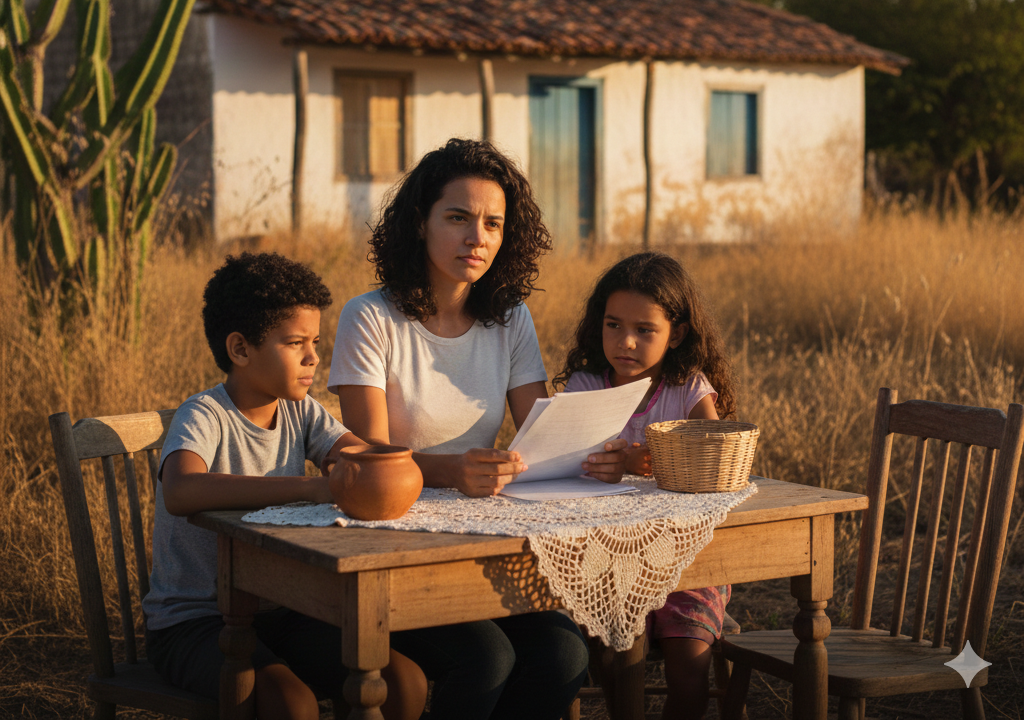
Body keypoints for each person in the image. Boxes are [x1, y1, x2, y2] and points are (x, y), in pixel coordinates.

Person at [328, 138, 620, 720]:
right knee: (486, 660)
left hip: (486, 539)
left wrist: (588, 453)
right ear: (419, 222)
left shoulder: (510, 317)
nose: (477, 238)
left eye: (493, 223)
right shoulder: (370, 318)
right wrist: (447, 471)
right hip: (394, 545)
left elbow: (540, 435)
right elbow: (366, 464)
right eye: (458, 218)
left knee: (565, 654)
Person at [143, 252, 427, 720]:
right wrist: (311, 488)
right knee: (293, 705)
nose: (314, 356)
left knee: (403, 682)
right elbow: (182, 491)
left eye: (315, 340)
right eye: (295, 342)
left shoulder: (301, 411)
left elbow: (361, 455)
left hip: (283, 610)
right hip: (195, 622)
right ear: (240, 349)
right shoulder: (205, 415)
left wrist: (379, 460)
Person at [556, 251, 738, 720]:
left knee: (688, 667)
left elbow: (712, 452)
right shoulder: (585, 386)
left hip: (686, 559)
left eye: (645, 330)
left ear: (676, 333)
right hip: (604, 561)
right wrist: (593, 462)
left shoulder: (687, 389)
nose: (626, 342)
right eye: (614, 325)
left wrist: (644, 463)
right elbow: (558, 458)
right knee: (615, 657)